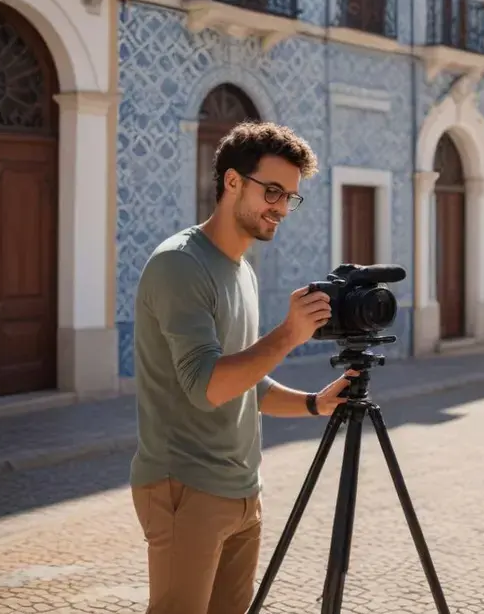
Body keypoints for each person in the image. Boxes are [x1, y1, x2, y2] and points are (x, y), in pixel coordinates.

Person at [129, 121, 356, 614]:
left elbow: (247, 381)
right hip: (185, 487)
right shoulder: (179, 265)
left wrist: (315, 403)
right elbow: (207, 386)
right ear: (232, 181)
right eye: (272, 191)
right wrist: (289, 334)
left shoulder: (243, 273)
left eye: (290, 197)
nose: (282, 208)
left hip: (243, 492)